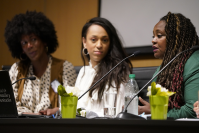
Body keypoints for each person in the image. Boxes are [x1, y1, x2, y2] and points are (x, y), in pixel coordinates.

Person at [4, 11, 77, 115]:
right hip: (22, 126)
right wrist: (31, 115)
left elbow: (72, 105)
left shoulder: (64, 68)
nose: (29, 45)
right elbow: (10, 105)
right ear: (21, 48)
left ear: (44, 40)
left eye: (33, 39)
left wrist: (56, 110)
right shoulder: (16, 70)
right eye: (24, 43)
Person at [138, 12, 199, 119]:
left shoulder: (195, 63)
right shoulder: (165, 67)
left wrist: (155, 113)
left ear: (176, 38)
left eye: (159, 35)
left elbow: (192, 110)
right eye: (153, 36)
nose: (153, 40)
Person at [75, 17, 133, 117]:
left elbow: (118, 113)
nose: (99, 45)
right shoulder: (82, 72)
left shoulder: (119, 71)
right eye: (93, 40)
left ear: (110, 43)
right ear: (84, 42)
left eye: (105, 40)